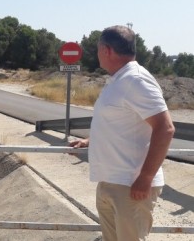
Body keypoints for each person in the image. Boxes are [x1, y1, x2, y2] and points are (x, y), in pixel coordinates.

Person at [69, 25, 175, 241]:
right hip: (110, 181)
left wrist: (145, 178)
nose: (97, 54)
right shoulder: (118, 80)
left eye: (98, 49)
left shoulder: (135, 79)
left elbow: (165, 128)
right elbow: (123, 123)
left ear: (106, 50)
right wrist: (90, 141)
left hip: (131, 186)